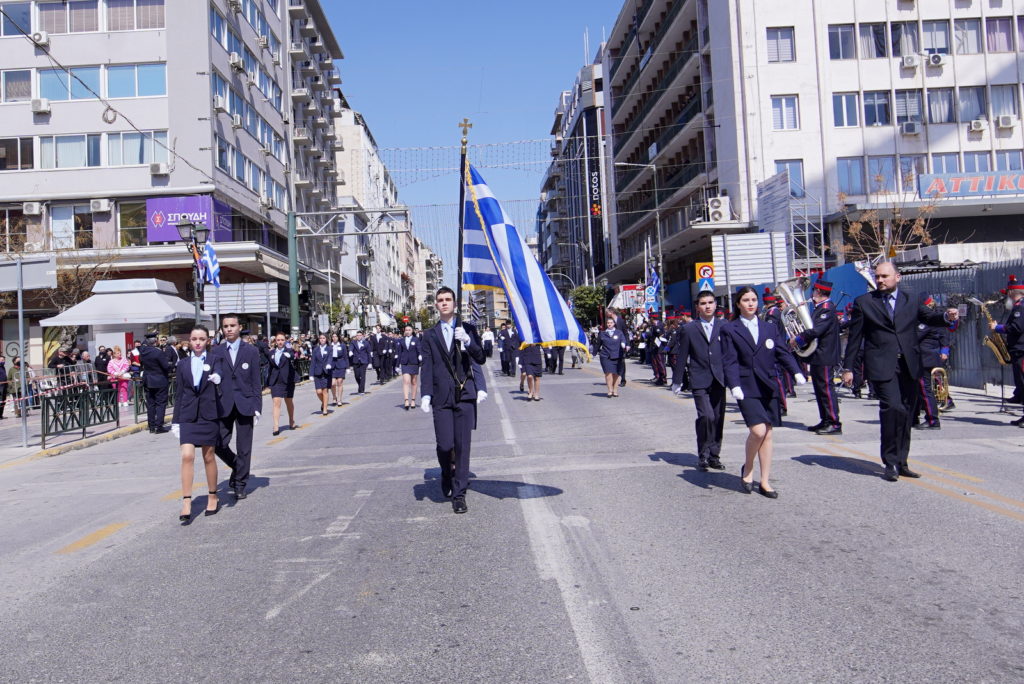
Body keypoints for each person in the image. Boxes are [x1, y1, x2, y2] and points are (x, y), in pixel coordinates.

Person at [841, 262, 959, 482]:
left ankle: (902, 461)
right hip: (882, 365)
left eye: (884, 276)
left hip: (909, 364)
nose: (880, 280)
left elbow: (930, 318)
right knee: (892, 408)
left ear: (898, 277)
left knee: (907, 413)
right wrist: (848, 368)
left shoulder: (910, 300)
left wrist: (947, 317)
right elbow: (855, 338)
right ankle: (890, 462)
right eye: (877, 276)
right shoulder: (864, 302)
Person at [721, 286, 806, 498]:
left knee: (768, 434)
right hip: (746, 386)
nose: (750, 303)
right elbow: (730, 360)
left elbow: (782, 352)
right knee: (758, 431)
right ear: (738, 304)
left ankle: (765, 481)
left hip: (768, 385)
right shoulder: (730, 329)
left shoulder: (769, 327)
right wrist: (734, 385)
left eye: (753, 299)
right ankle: (748, 467)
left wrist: (796, 372)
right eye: (745, 300)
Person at [420, 287, 487, 514]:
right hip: (441, 396)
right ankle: (446, 473)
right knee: (445, 445)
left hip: (464, 394)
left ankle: (459, 495)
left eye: (448, 299)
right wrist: (426, 394)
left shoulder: (468, 329)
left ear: (455, 304)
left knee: (462, 446)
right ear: (436, 305)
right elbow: (427, 366)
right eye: (440, 300)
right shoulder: (429, 335)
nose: (444, 303)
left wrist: (468, 341)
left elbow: (481, 358)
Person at [170, 325, 222, 524]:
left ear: (207, 341)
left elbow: (220, 374)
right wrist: (176, 421)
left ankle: (212, 495)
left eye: (201, 339)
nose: (198, 342)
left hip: (208, 413)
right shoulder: (183, 364)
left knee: (208, 456)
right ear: (189, 341)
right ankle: (186, 501)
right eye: (194, 339)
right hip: (188, 414)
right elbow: (180, 393)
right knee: (187, 456)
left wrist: (218, 378)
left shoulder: (214, 359)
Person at [210, 314, 263, 500]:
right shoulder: (216, 351)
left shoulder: (251, 351)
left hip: (245, 403)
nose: (229, 329)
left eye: (232, 325)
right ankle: (236, 465)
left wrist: (257, 406)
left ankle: (240, 483)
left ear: (240, 327)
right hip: (223, 403)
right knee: (217, 443)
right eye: (225, 326)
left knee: (244, 447)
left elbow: (256, 380)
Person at [675, 291, 728, 471]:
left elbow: (731, 353)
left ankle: (714, 456)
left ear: (715, 305)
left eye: (710, 302)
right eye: (703, 303)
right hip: (699, 378)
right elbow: (682, 355)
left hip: (719, 378)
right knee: (706, 416)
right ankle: (703, 455)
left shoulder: (724, 326)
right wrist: (677, 380)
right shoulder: (689, 329)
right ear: (697, 307)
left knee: (718, 418)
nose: (707, 306)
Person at [792, 279, 842, 435]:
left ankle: (834, 422)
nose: (812, 293)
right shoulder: (820, 308)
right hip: (818, 355)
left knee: (826, 389)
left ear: (818, 292)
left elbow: (816, 331)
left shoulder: (827, 309)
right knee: (820, 390)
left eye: (813, 291)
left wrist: (798, 339)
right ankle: (825, 420)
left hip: (825, 355)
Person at [992, 275, 1024, 426]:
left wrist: (998, 328)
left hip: (1021, 350)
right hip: (1018, 349)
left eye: (1008, 293)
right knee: (1020, 383)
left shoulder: (1020, 307)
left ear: (1012, 292)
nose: (1007, 297)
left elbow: (1017, 327)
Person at [914, 319, 952, 429]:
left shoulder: (926, 321)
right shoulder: (936, 320)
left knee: (925, 390)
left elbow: (915, 336)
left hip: (925, 359)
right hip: (928, 358)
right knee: (919, 389)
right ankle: (914, 418)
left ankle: (932, 420)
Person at [265, 332, 299, 435]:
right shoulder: (272, 353)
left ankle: (291, 420)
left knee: (288, 401)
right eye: (278, 340)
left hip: (287, 380)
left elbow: (293, 356)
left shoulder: (289, 350)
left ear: (285, 341)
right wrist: (268, 382)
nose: (280, 342)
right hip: (276, 381)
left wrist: (290, 356)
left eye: (282, 340)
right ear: (275, 341)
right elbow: (270, 368)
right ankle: (276, 426)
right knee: (276, 402)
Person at [139, 332, 173, 434]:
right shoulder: (158, 352)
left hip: (148, 380)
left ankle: (151, 426)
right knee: (160, 404)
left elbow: (143, 346)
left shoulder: (143, 351)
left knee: (151, 404)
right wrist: (171, 365)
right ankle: (159, 426)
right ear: (155, 341)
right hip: (159, 380)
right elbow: (165, 366)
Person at [598, 315, 626, 397]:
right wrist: (593, 353)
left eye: (611, 323)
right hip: (605, 356)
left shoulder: (619, 332)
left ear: (614, 324)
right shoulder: (602, 333)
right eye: (608, 323)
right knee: (608, 373)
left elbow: (623, 339)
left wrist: (623, 344)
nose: (609, 324)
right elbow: (598, 344)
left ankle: (615, 390)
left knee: (616, 374)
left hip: (617, 356)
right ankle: (610, 390)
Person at [398, 324, 422, 410]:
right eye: (406, 330)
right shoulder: (401, 340)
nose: (407, 331)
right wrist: (397, 365)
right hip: (405, 363)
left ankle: (413, 400)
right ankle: (406, 400)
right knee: (406, 381)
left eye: (409, 330)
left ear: (412, 331)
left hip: (414, 362)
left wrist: (420, 355)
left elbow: (419, 349)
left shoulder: (416, 340)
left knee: (414, 382)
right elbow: (399, 352)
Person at [310, 333, 333, 416]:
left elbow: (330, 357)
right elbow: (313, 362)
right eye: (320, 338)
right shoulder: (315, 349)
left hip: (326, 372)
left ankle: (325, 409)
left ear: (326, 339)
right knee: (319, 392)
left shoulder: (329, 348)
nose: (322, 339)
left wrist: (329, 364)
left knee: (325, 391)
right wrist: (311, 374)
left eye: (323, 338)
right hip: (317, 372)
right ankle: (324, 402)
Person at [329, 332, 350, 407]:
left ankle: (339, 399)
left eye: (336, 336)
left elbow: (345, 357)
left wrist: (347, 367)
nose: (334, 338)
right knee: (333, 383)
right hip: (332, 366)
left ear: (338, 337)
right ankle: (334, 397)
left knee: (339, 382)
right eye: (333, 337)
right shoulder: (329, 346)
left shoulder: (342, 345)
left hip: (341, 365)